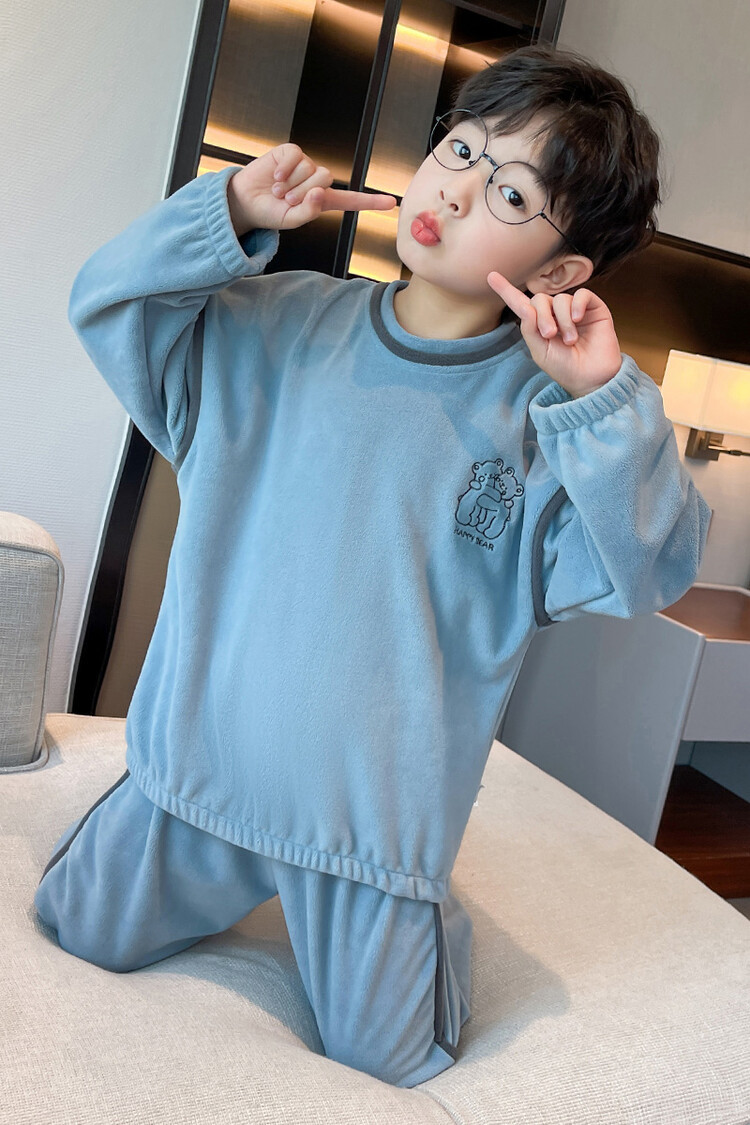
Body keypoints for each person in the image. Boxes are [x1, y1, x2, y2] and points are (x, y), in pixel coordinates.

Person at [35, 43, 712, 1087]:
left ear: (561, 272)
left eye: (511, 193)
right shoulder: (273, 327)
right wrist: (229, 214)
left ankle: (430, 915)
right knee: (75, 927)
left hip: (370, 842)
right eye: (460, 149)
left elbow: (650, 569)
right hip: (190, 786)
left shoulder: (547, 426)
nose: (455, 189)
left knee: (389, 1061)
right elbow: (109, 305)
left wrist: (603, 398)